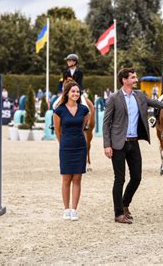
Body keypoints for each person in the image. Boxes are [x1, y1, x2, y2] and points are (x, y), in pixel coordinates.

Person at [103, 68, 163, 224]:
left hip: (134, 142)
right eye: (133, 77)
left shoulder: (140, 96)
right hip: (118, 144)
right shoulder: (114, 98)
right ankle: (118, 214)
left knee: (137, 177)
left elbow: (159, 103)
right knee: (120, 179)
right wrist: (106, 145)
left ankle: (124, 204)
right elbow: (106, 123)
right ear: (124, 80)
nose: (136, 79)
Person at [53, 81, 91, 221]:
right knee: (66, 179)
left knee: (77, 178)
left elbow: (83, 127)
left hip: (80, 146)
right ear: (67, 93)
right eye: (73, 91)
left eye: (77, 91)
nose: (75, 93)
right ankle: (66, 209)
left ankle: (74, 209)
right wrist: (63, 143)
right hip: (66, 146)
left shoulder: (84, 110)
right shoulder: (59, 110)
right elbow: (57, 130)